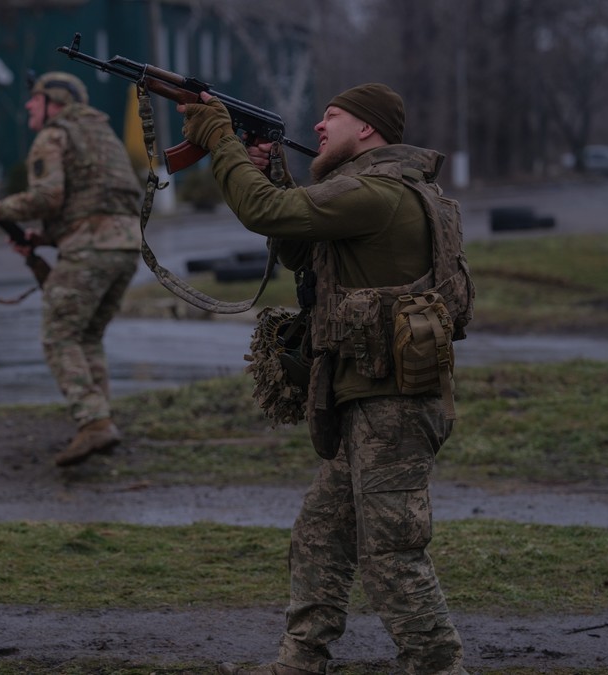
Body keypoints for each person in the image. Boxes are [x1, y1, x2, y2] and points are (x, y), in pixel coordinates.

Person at [178, 84, 469, 674]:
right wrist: (265, 171)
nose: (317, 125)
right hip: (372, 398)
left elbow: (264, 212)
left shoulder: (375, 193)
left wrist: (219, 138)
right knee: (321, 535)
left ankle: (440, 666)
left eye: (332, 117)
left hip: (392, 407)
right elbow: (297, 248)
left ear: (367, 131)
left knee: (391, 553)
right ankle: (301, 661)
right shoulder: (383, 190)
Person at [0, 71, 143, 468]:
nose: (29, 104)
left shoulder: (54, 135)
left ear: (56, 103)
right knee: (87, 335)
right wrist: (41, 240)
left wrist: (0, 210)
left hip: (91, 248)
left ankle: (94, 421)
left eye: (36, 99)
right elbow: (96, 201)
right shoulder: (102, 136)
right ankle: (101, 420)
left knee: (59, 337)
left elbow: (48, 196)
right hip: (126, 247)